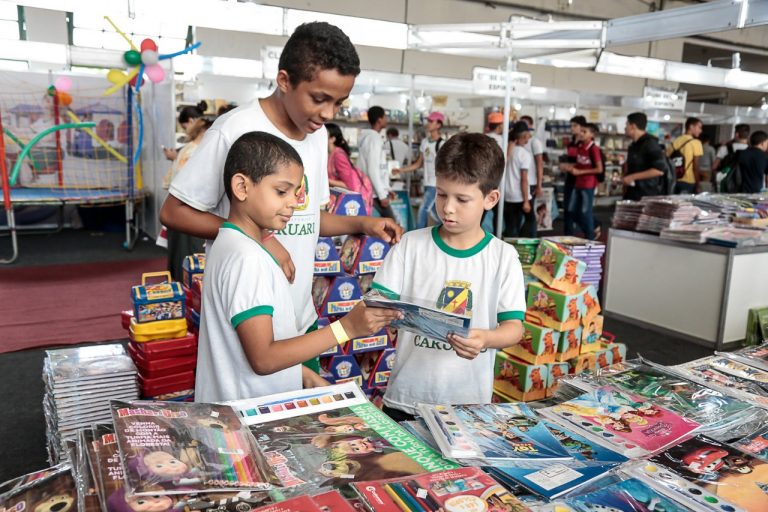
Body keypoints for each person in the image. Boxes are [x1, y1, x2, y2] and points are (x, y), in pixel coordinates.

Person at [160, 22, 402, 373]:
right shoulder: (234, 129)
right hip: (249, 323)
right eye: (319, 99)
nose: (328, 114)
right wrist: (260, 239)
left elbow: (308, 218)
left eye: (338, 103)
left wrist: (362, 223)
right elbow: (174, 212)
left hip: (300, 315)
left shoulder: (316, 135)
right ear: (285, 81)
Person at [195, 132, 401, 402]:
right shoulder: (248, 259)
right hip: (249, 414)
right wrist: (346, 328)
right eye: (281, 191)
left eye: (296, 192)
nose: (293, 202)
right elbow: (263, 358)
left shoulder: (229, 242)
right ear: (242, 187)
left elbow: (240, 346)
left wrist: (298, 372)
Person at [370, 132, 525, 421]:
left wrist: (486, 338)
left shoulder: (502, 258)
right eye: (441, 194)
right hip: (406, 399)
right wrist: (380, 313)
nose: (448, 207)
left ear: (490, 199)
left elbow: (514, 328)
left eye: (462, 199)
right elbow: (377, 304)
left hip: (468, 405)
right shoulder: (410, 246)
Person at [160, 116, 214, 280]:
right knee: (191, 262)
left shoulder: (187, 149)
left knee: (179, 258)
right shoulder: (197, 153)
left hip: (178, 209)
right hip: (191, 211)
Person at [394, 112, 446, 229]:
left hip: (435, 184)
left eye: (431, 121)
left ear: (438, 125)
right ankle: (448, 231)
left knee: (423, 209)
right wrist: (401, 170)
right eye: (428, 121)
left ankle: (417, 234)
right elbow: (418, 164)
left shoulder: (442, 144)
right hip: (426, 184)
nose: (428, 123)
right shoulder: (425, 142)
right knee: (434, 212)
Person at [562, 123, 602, 240]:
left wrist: (579, 172)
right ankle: (591, 230)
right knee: (571, 211)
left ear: (592, 134)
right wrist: (570, 167)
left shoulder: (594, 149)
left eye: (584, 132)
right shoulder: (580, 147)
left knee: (585, 213)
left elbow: (599, 169)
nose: (581, 133)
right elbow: (580, 164)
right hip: (578, 184)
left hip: (588, 185)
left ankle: (590, 237)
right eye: (581, 131)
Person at [325, 122, 373, 213]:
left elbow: (349, 185)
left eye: (323, 134)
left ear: (332, 139)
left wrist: (326, 181)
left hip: (350, 202)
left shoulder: (338, 155)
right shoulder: (330, 153)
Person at [358, 106, 395, 219]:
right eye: (385, 117)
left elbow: (379, 167)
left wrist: (387, 189)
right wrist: (382, 195)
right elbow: (373, 169)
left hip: (374, 190)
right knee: (391, 224)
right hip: (374, 193)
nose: (386, 119)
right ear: (379, 120)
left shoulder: (371, 137)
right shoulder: (374, 139)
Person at [502, 121, 535, 238]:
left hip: (507, 195)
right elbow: (524, 179)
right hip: (520, 195)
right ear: (524, 136)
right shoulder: (524, 154)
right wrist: (526, 200)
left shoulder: (507, 151)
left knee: (511, 226)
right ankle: (521, 243)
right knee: (530, 221)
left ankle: (510, 245)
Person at [622, 112, 666, 201]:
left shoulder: (650, 144)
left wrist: (632, 177)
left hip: (646, 195)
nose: (625, 128)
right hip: (633, 193)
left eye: (626, 125)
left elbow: (659, 170)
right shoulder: (634, 145)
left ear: (633, 126)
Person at [560, 116, 586, 235]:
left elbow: (584, 162)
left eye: (575, 126)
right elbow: (568, 158)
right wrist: (564, 164)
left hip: (580, 180)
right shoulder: (571, 143)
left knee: (577, 210)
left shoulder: (584, 143)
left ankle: (594, 226)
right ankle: (568, 235)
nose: (572, 128)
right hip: (570, 178)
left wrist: (570, 166)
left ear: (582, 127)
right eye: (571, 126)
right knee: (567, 209)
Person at [668, 117, 703, 194]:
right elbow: (696, 166)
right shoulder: (696, 143)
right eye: (699, 127)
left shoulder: (675, 141)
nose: (701, 131)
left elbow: (668, 159)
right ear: (691, 126)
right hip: (688, 181)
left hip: (674, 180)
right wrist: (698, 185)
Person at [520, 115, 545, 200]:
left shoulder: (535, 142)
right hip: (520, 182)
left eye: (525, 124)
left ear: (531, 125)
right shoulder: (518, 142)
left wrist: (539, 186)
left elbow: (539, 165)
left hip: (530, 183)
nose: (522, 126)